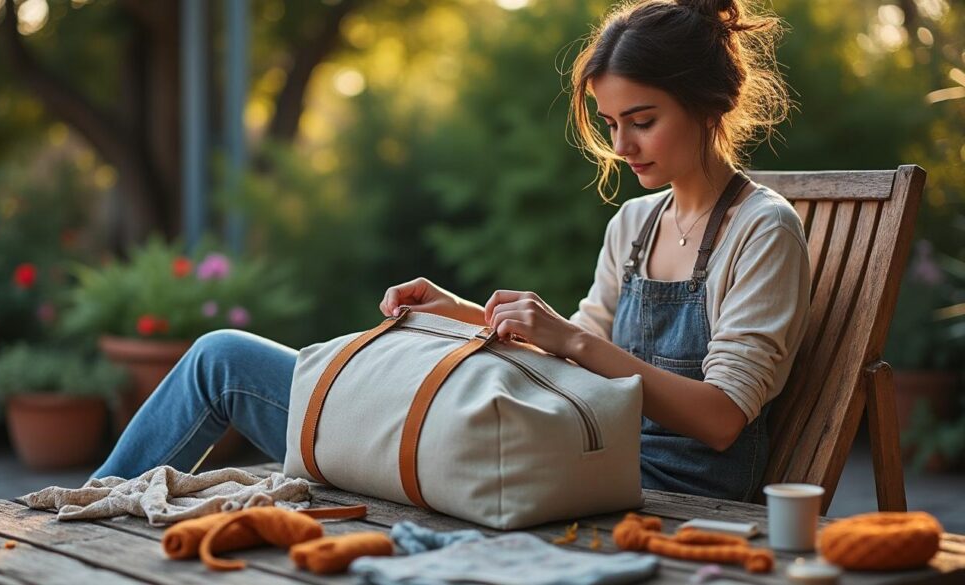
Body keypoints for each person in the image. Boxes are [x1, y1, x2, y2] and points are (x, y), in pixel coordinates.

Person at [93, 0, 810, 503]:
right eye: (611, 123)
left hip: (636, 486)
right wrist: (460, 314)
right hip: (563, 448)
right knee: (223, 358)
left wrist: (568, 339)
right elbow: (573, 363)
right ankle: (74, 514)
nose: (621, 145)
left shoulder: (761, 230)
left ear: (708, 104)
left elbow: (722, 418)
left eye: (642, 121)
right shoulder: (637, 224)